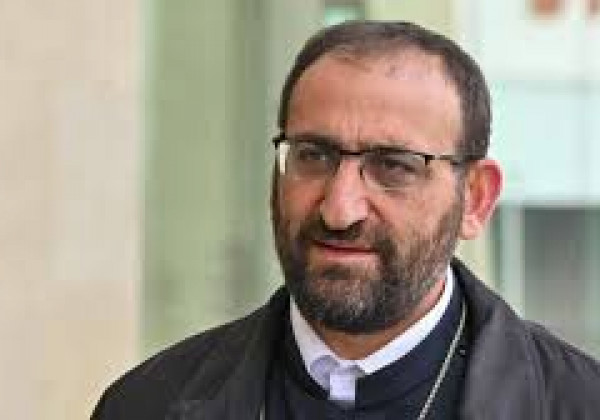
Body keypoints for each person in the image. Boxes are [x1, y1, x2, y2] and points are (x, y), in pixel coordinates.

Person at [91, 20, 600, 419]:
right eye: (314, 156)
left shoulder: (578, 403)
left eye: (394, 166)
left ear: (475, 199)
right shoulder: (145, 405)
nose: (340, 209)